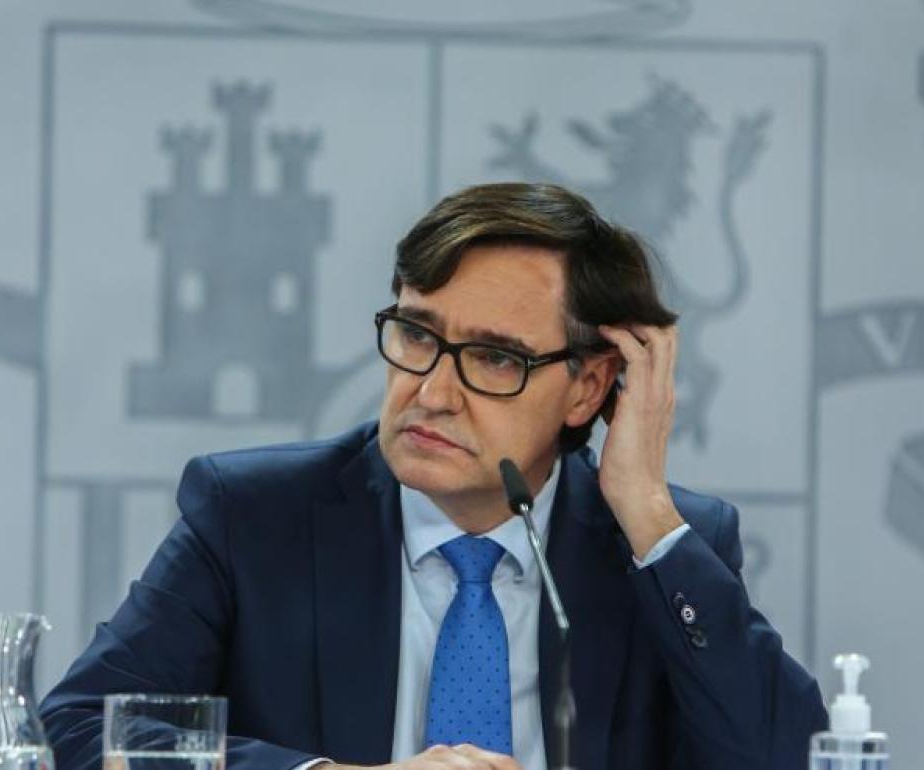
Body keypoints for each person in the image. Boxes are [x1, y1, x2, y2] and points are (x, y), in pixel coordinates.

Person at [41, 182, 827, 770]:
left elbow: (788, 760)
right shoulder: (255, 517)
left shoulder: (659, 551)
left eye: (494, 358)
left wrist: (647, 513)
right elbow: (72, 733)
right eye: (417, 336)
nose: (432, 392)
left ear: (588, 388)